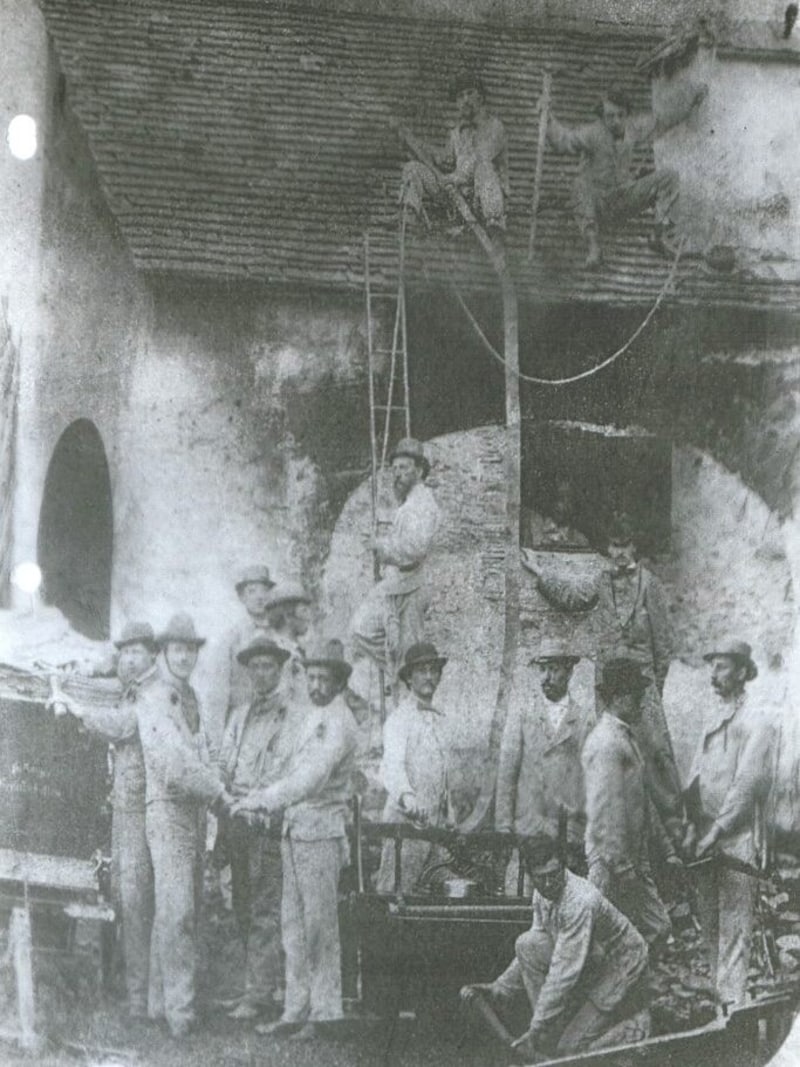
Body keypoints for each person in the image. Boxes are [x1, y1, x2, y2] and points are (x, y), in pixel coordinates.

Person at [232, 639, 358, 1041]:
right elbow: (287, 769)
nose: (317, 684)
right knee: (293, 926)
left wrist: (262, 800)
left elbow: (308, 780)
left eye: (326, 678)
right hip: (294, 829)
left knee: (320, 927)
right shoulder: (310, 717)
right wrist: (255, 797)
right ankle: (295, 1009)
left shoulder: (337, 723)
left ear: (339, 681)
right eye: (313, 676)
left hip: (321, 831)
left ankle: (325, 1013)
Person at [529, 513, 683, 839]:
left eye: (625, 545)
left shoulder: (650, 585)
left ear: (635, 547)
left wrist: (652, 690)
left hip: (642, 689)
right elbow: (573, 597)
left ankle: (674, 832)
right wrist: (541, 573)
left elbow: (664, 647)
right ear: (608, 549)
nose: (620, 553)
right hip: (609, 688)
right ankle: (614, 830)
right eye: (614, 546)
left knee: (656, 755)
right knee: (610, 754)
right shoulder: (601, 582)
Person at [50, 621, 158, 1020]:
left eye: (137, 652)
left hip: (141, 806)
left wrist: (75, 707)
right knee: (120, 893)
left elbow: (122, 724)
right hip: (126, 803)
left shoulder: (152, 693)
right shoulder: (130, 687)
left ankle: (139, 1000)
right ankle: (127, 990)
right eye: (124, 653)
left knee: (135, 898)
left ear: (152, 655)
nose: (129, 659)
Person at [460, 834, 650, 1060]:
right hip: (591, 954)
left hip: (621, 962)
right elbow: (532, 946)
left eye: (554, 874)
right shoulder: (542, 893)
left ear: (563, 866)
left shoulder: (580, 900)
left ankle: (634, 1028)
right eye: (541, 878)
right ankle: (549, 1033)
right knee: (526, 943)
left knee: (570, 1050)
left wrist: (536, 1027)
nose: (549, 884)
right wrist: (500, 988)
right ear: (530, 874)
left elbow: (564, 972)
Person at [137, 613, 233, 1038]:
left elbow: (205, 750)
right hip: (169, 810)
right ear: (163, 653)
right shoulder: (154, 698)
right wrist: (218, 793)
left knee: (179, 908)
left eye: (191, 650)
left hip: (194, 815)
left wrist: (220, 783)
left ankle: (159, 1004)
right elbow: (173, 763)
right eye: (177, 649)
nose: (185, 657)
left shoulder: (191, 697)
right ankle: (181, 1012)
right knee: (177, 912)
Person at [683, 639, 776, 1011]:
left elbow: (746, 785)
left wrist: (717, 832)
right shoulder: (711, 716)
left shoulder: (758, 721)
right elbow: (695, 775)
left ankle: (732, 1015)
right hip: (705, 839)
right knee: (709, 930)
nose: (714, 675)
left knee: (735, 934)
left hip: (738, 842)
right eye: (713, 667)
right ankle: (716, 1009)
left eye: (722, 667)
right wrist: (692, 825)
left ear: (741, 671)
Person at [545, 81, 708, 268]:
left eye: (620, 115)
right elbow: (563, 141)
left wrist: (690, 99)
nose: (615, 121)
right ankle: (593, 247)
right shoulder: (591, 134)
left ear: (627, 114)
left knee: (669, 177)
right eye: (610, 116)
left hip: (622, 198)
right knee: (579, 185)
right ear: (602, 117)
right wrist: (549, 120)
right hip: (597, 203)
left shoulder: (633, 129)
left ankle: (659, 233)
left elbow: (663, 120)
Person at [217, 636, 292, 1021]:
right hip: (237, 820)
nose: (262, 673)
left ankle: (261, 993)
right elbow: (224, 762)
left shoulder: (289, 716)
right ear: (248, 672)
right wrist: (225, 797)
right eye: (256, 667)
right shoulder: (240, 715)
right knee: (241, 905)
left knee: (265, 906)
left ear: (279, 670)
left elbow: (283, 772)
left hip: (265, 822)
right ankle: (253, 986)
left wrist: (257, 802)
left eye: (269, 666)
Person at [581, 657, 676, 952]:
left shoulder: (624, 738)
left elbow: (642, 801)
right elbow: (604, 811)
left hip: (634, 856)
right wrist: (621, 867)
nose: (642, 705)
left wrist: (668, 851)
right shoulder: (607, 742)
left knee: (656, 928)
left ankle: (627, 989)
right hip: (610, 862)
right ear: (620, 698)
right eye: (637, 697)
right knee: (595, 938)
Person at [495, 638, 596, 892]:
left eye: (554, 669)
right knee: (519, 901)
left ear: (569, 671)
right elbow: (507, 774)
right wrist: (504, 827)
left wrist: (587, 832)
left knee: (566, 907)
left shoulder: (583, 721)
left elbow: (593, 782)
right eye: (542, 669)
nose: (546, 677)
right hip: (528, 833)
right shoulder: (523, 716)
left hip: (568, 838)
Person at [351, 437, 440, 699]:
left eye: (404, 468)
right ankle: (395, 672)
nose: (398, 474)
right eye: (395, 468)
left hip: (412, 588)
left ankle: (407, 705)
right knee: (361, 629)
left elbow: (414, 550)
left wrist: (382, 548)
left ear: (420, 471)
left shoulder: (422, 504)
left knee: (410, 655)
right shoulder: (409, 504)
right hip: (396, 584)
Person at [375, 642, 452, 894]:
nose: (429, 677)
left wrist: (450, 812)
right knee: (396, 893)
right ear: (409, 677)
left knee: (433, 900)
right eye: (422, 671)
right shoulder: (399, 720)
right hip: (405, 827)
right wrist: (408, 798)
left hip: (435, 830)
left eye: (433, 670)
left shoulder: (441, 720)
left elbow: (444, 773)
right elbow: (391, 767)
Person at [400, 72, 509, 232]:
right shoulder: (456, 133)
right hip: (456, 198)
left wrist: (454, 178)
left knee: (485, 168)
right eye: (460, 96)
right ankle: (409, 214)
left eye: (470, 93)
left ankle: (494, 224)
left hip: (483, 199)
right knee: (413, 168)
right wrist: (416, 143)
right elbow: (445, 159)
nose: (465, 100)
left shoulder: (495, 127)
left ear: (481, 97)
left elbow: (481, 158)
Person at [207, 565, 276, 744]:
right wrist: (216, 744)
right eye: (252, 591)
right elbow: (218, 697)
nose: (259, 597)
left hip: (276, 727)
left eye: (264, 591)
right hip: (241, 729)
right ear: (242, 597)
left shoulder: (281, 637)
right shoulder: (231, 640)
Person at [263, 580, 313, 698]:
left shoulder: (302, 649)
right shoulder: (275, 651)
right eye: (303, 611)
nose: (309, 616)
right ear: (287, 616)